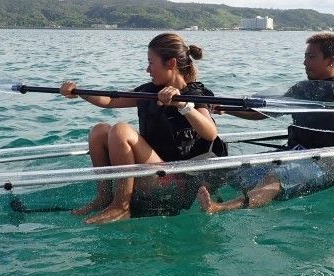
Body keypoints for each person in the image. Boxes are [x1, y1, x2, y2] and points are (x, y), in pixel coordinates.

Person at [198, 32, 334, 213]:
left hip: (330, 163)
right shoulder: (301, 90)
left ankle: (219, 208)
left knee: (275, 178)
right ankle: (210, 194)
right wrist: (227, 108)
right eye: (305, 57)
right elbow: (264, 113)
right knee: (229, 168)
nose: (304, 63)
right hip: (294, 154)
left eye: (311, 57)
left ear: (330, 60)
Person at [60, 33, 227, 224]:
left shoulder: (197, 94)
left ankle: (121, 207)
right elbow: (110, 101)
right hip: (152, 171)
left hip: (178, 181)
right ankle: (104, 198)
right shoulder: (149, 90)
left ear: (171, 63)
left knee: (121, 130)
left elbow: (210, 132)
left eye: (151, 63)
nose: (147, 69)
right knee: (99, 131)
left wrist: (182, 105)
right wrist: (78, 91)